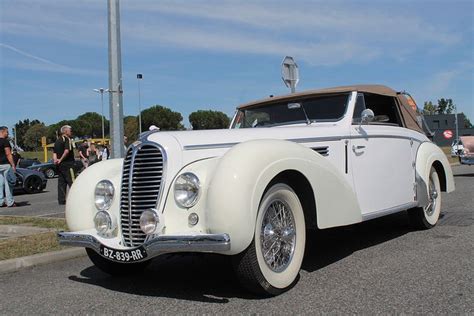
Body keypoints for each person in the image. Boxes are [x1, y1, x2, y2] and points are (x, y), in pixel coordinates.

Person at [53, 125, 75, 205]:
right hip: (68, 164)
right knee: (72, 181)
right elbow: (66, 151)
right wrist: (61, 159)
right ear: (65, 131)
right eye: (70, 130)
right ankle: (75, 199)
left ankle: (61, 200)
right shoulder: (67, 139)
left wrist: (56, 160)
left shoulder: (57, 140)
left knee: (61, 182)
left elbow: (54, 152)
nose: (71, 132)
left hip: (60, 165)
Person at [0, 126, 16, 207]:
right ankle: (10, 201)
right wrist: (13, 165)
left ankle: (1, 202)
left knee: (0, 184)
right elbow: (8, 154)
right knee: (8, 183)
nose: (8, 133)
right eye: (7, 132)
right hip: (5, 164)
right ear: (2, 132)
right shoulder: (5, 141)